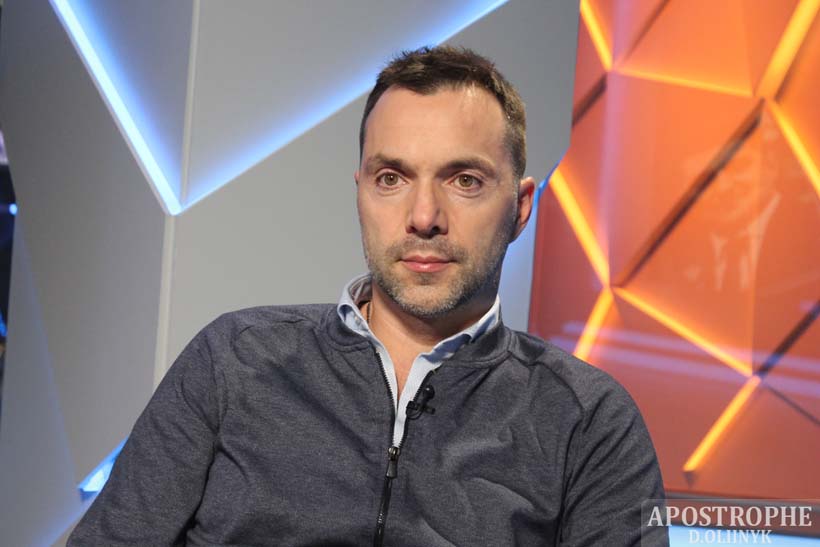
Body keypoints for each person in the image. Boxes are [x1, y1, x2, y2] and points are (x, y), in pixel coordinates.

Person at [69, 46, 667, 546]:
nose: (424, 217)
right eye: (391, 178)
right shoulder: (234, 359)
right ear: (360, 193)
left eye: (464, 180)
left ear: (520, 207)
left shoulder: (588, 421)